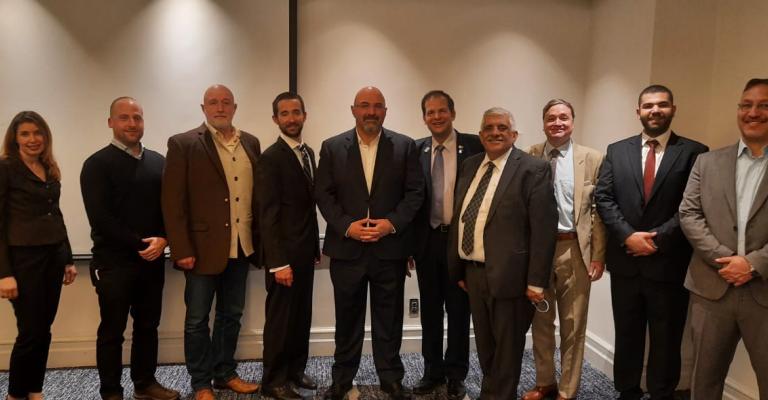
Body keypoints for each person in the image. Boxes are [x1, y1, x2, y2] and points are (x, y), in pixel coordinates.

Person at [595, 85, 708, 400]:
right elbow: (604, 198)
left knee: (667, 338)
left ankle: (662, 393)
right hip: (626, 262)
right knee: (627, 334)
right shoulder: (617, 150)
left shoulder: (695, 152)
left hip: (669, 263)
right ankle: (627, 391)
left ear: (673, 109)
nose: (655, 110)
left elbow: (693, 205)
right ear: (638, 112)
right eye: (648, 106)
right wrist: (628, 236)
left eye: (662, 105)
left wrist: (656, 240)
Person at [315, 86, 424, 400]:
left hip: (389, 249)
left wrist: (391, 224)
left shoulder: (404, 146)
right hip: (347, 249)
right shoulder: (332, 147)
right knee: (347, 319)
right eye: (364, 105)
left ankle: (390, 378)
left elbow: (415, 193)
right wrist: (346, 226)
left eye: (377, 106)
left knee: (389, 320)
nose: (371, 111)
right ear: (353, 110)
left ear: (385, 112)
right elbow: (323, 194)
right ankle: (342, 380)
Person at [447, 107, 558, 400]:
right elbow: (461, 216)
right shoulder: (470, 165)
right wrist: (459, 268)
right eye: (489, 128)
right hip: (473, 272)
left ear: (514, 135)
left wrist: (536, 281)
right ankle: (490, 394)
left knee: (507, 351)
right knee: (485, 346)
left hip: (513, 277)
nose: (495, 132)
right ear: (480, 134)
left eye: (502, 127)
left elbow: (544, 230)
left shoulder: (533, 169)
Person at [162, 85, 261, 400]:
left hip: (241, 246)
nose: (220, 108)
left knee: (231, 315)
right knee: (197, 320)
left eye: (226, 102)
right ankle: (201, 383)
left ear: (235, 107)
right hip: (200, 250)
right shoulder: (183, 144)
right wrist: (181, 249)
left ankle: (225, 373)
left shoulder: (251, 143)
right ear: (203, 108)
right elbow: (173, 202)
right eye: (213, 103)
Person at [80, 97, 179, 400]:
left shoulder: (159, 162)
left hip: (151, 261)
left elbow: (170, 208)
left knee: (148, 326)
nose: (132, 123)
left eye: (137, 117)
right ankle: (111, 391)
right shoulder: (96, 165)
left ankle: (145, 383)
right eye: (124, 117)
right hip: (114, 263)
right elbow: (101, 217)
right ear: (111, 122)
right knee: (112, 331)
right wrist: (141, 245)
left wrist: (164, 238)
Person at [679, 78, 768, 399]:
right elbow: (689, 214)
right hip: (711, 288)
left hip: (764, 291)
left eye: (764, 105)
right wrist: (725, 260)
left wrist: (753, 264)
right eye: (746, 105)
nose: (753, 112)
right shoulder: (707, 162)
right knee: (704, 383)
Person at [522, 99, 606, 400]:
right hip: (537, 252)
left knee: (573, 325)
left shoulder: (593, 158)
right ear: (543, 122)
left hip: (574, 250)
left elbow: (598, 211)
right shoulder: (529, 155)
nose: (557, 123)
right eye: (551, 118)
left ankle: (567, 391)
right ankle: (545, 382)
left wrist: (598, 255)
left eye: (563, 117)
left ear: (572, 121)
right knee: (541, 321)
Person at [409, 90, 482, 399]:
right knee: (430, 310)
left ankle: (456, 374)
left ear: (453, 113)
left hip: (460, 243)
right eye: (430, 112)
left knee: (459, 310)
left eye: (442, 111)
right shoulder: (415, 149)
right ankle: (432, 371)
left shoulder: (475, 146)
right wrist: (409, 246)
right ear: (424, 117)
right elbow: (410, 200)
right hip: (427, 242)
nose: (436, 116)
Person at [0, 111, 77, 400]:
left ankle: (35, 389)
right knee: (30, 332)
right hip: (23, 261)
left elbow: (55, 214)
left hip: (53, 257)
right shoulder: (5, 168)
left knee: (43, 330)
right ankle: (15, 395)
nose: (33, 139)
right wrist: (4, 273)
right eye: (25, 134)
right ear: (15, 138)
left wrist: (68, 258)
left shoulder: (48, 167)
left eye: (37, 133)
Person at [257, 92, 320, 400]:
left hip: (305, 252)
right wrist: (278, 262)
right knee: (280, 321)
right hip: (283, 257)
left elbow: (307, 207)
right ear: (275, 119)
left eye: (296, 112)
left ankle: (295, 370)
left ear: (304, 115)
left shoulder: (309, 153)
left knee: (301, 317)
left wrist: (314, 248)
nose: (292, 118)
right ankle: (274, 381)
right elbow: (267, 214)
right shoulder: (270, 158)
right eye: (285, 113)